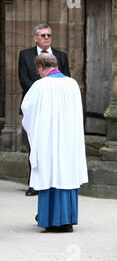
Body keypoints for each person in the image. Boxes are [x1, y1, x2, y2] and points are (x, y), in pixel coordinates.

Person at [21, 53, 87, 233]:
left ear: (41, 68)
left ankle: (50, 220)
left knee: (49, 174)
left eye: (38, 70)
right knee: (66, 173)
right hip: (68, 139)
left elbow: (27, 111)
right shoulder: (72, 84)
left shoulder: (40, 86)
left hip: (48, 139)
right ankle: (67, 220)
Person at [18, 23, 71, 197]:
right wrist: (41, 95)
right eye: (43, 35)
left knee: (55, 145)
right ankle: (34, 183)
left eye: (49, 35)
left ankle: (56, 180)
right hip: (35, 107)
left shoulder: (61, 56)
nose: (46, 38)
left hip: (56, 110)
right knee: (35, 145)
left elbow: (66, 79)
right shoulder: (25, 55)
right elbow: (24, 80)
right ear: (35, 38)